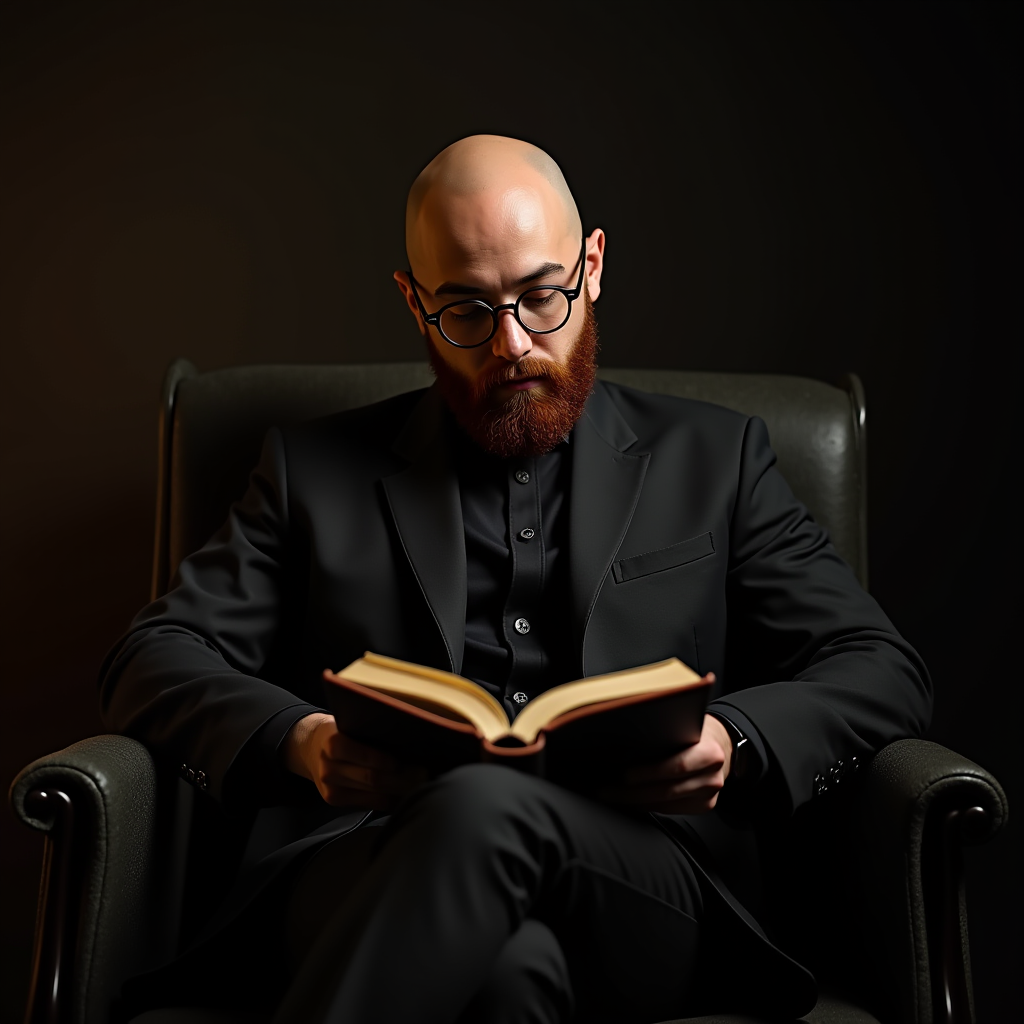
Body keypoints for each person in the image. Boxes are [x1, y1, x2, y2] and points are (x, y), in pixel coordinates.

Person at [101, 135, 932, 1024]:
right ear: (412, 303)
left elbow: (880, 665)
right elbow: (152, 656)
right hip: (365, 863)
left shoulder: (718, 460)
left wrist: (737, 741)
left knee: (485, 814)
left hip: (644, 882)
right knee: (507, 976)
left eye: (542, 297)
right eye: (465, 310)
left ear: (594, 265)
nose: (513, 345)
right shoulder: (311, 470)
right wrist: (302, 741)